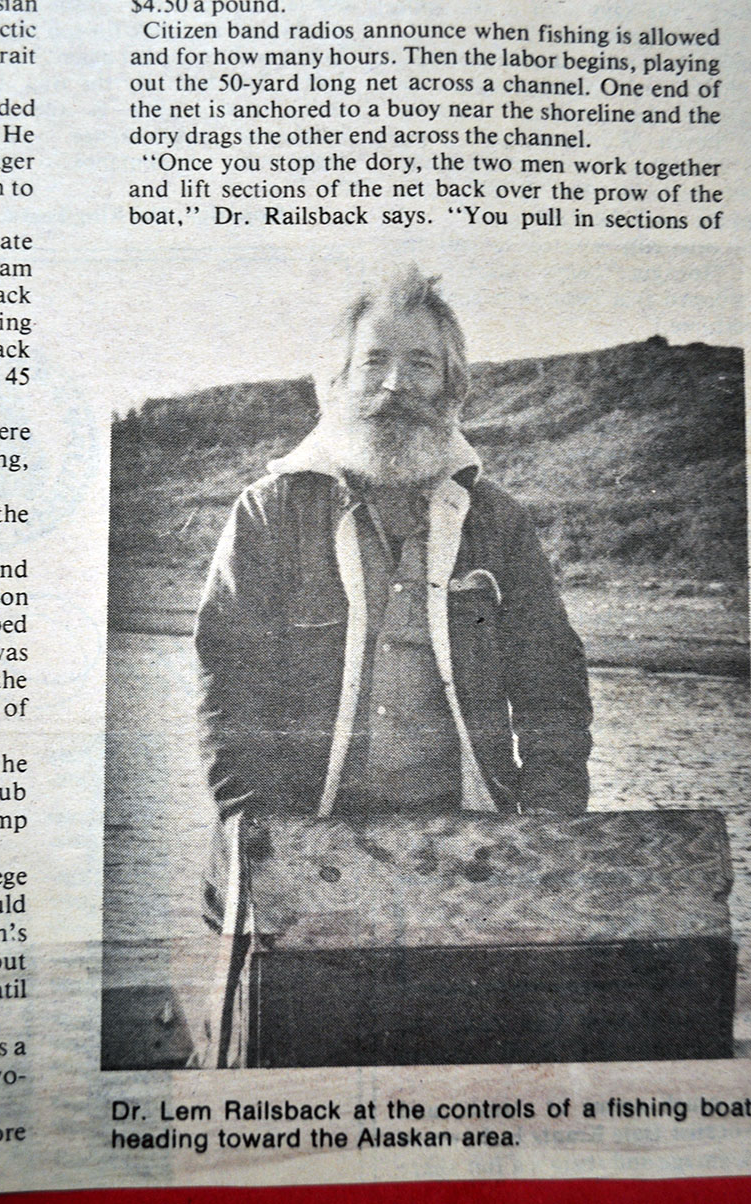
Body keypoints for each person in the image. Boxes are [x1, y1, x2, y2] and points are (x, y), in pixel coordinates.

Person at [195, 266, 593, 941]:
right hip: (302, 842)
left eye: (420, 363)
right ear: (337, 381)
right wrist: (263, 836)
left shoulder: (495, 521)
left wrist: (547, 825)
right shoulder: (270, 513)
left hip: (466, 853)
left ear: (452, 385)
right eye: (373, 360)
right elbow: (228, 687)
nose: (394, 384)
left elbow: (550, 681)